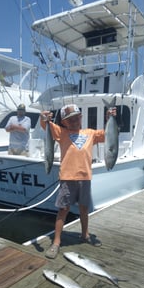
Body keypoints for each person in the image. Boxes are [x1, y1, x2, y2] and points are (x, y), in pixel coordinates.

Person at [40, 104, 117, 259]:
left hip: (85, 177)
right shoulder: (61, 133)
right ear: (64, 122)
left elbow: (109, 135)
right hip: (67, 178)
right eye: (70, 120)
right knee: (63, 210)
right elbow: (45, 125)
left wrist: (111, 118)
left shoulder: (90, 133)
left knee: (84, 209)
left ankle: (85, 235)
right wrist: (43, 118)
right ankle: (56, 242)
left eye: (76, 117)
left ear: (81, 118)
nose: (74, 121)